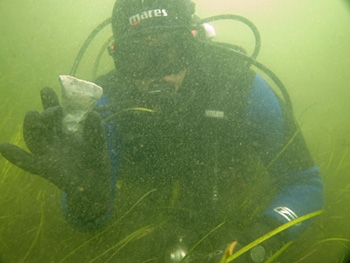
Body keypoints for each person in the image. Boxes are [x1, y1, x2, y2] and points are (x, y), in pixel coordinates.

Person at [0, 0, 324, 262]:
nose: (157, 77)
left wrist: (261, 242)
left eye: (170, 54)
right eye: (139, 58)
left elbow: (304, 182)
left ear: (193, 45)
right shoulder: (107, 104)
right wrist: (87, 200)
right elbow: (89, 220)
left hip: (226, 187)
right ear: (119, 58)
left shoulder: (240, 88)